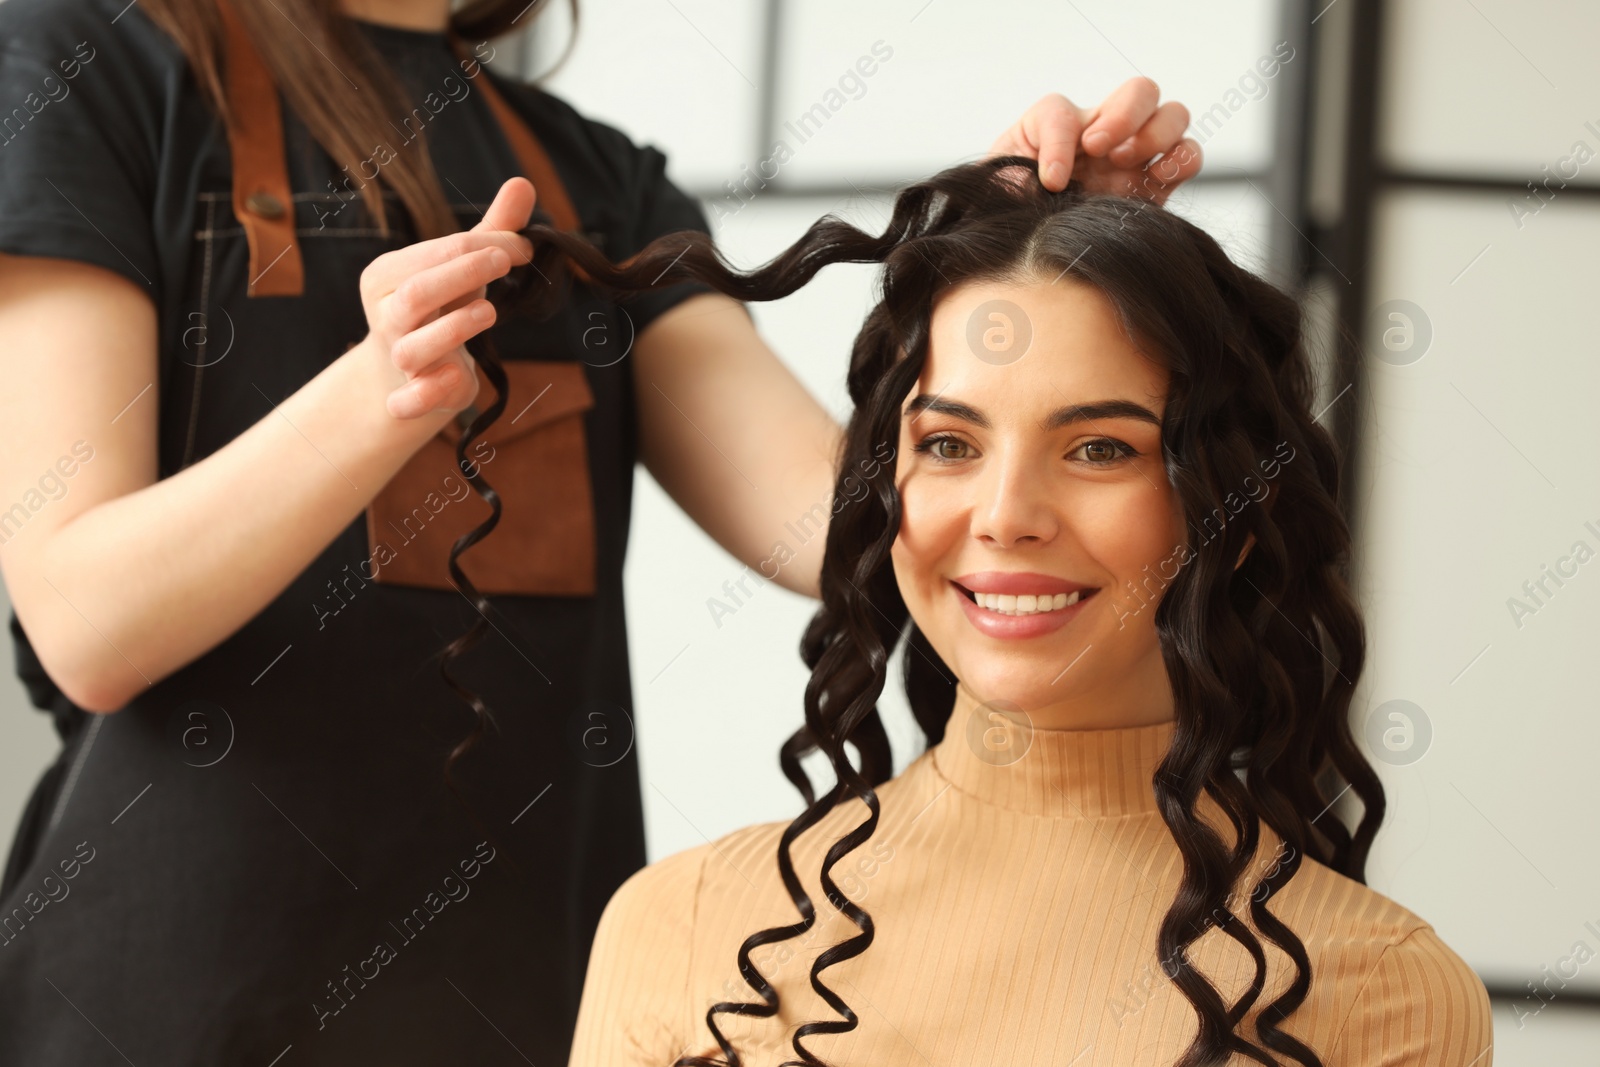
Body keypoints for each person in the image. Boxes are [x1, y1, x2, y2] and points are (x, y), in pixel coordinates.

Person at [0, 0, 1203, 1059]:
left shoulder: (600, 179)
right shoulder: (84, 67)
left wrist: (1019, 273)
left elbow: (835, 526)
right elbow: (86, 620)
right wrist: (375, 399)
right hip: (158, 998)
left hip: (536, 997)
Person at [499, 157, 1497, 1066]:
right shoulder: (685, 923)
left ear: (1236, 509)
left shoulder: (1381, 990)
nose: (1005, 517)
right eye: (946, 444)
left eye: (1100, 447)